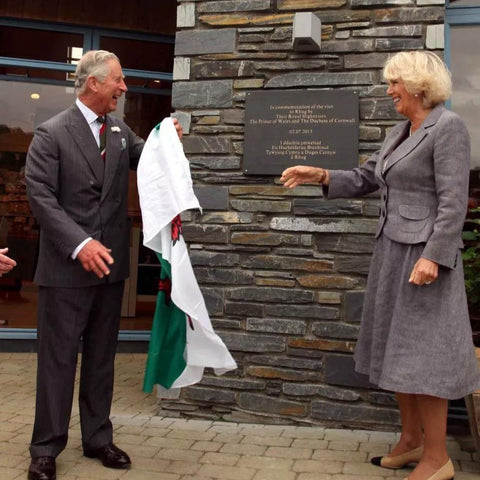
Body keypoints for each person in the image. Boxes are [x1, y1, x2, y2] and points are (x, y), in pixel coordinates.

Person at [281, 51, 480, 480]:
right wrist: (320, 175)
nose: (389, 91)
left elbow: (452, 203)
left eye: (394, 83)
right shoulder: (399, 132)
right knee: (398, 350)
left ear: (417, 86)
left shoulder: (448, 128)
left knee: (425, 355)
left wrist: (434, 256)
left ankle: (437, 457)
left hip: (425, 259)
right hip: (392, 252)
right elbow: (370, 177)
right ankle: (410, 441)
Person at [25, 50, 182, 480]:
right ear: (93, 83)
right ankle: (45, 448)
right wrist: (80, 244)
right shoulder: (50, 133)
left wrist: (167, 139)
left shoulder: (118, 130)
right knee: (58, 360)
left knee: (101, 359)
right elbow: (40, 198)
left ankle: (98, 438)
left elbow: (148, 158)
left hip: (110, 270)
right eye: (118, 80)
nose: (124, 88)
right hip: (66, 270)